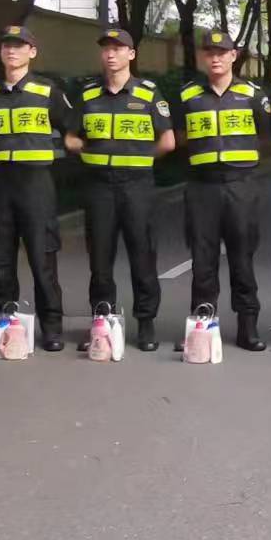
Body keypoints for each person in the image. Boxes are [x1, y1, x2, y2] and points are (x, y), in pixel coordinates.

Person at [65, 27, 175, 353]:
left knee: (143, 255)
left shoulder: (148, 94)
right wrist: (86, 150)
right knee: (100, 259)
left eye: (118, 48)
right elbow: (70, 136)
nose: (111, 54)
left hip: (137, 186)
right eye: (106, 49)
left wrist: (140, 158)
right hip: (99, 186)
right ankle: (102, 321)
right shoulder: (88, 95)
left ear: (131, 54)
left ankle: (146, 324)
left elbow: (168, 141)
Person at [173, 29, 271, 351]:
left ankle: (248, 328)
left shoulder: (253, 95)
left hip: (240, 186)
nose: (216, 58)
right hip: (202, 188)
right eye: (210, 53)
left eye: (222, 53)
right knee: (202, 260)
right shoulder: (188, 96)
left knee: (242, 258)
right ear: (203, 57)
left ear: (234, 56)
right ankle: (202, 327)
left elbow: (267, 138)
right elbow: (179, 138)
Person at [0, 24, 72, 353]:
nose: (11, 51)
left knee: (42, 258)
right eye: (7, 46)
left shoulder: (48, 91)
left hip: (36, 185)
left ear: (32, 52)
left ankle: (52, 328)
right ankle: (0, 325)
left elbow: (71, 129)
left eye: (19, 46)